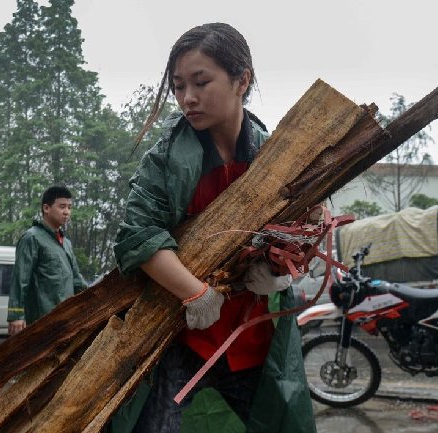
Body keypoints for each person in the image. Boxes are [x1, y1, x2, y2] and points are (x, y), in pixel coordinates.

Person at [111, 23, 315, 433]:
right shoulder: (166, 158)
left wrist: (276, 274)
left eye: (201, 82)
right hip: (184, 334)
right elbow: (138, 233)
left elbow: (307, 229)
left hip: (252, 334)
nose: (188, 98)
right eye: (179, 85)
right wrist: (195, 293)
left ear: (243, 80)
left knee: (277, 420)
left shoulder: (277, 155)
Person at [7, 185, 87, 335]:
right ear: (46, 208)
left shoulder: (66, 243)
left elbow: (77, 280)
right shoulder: (32, 238)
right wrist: (16, 316)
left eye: (70, 207)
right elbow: (20, 279)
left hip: (67, 318)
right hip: (42, 320)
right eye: (62, 206)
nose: (67, 212)